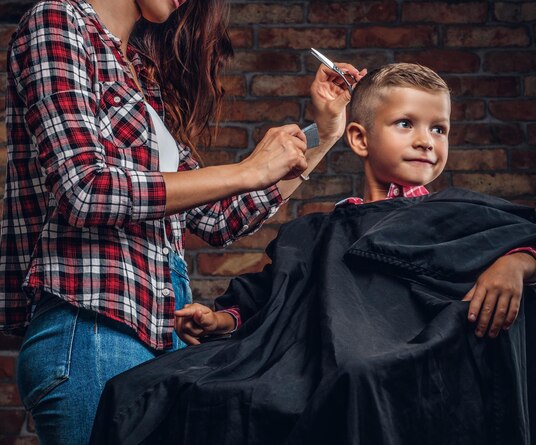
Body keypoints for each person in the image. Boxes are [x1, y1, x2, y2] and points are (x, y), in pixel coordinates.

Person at [91, 64, 536, 445]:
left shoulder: (465, 215)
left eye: (438, 128)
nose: (426, 140)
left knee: (358, 382)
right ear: (358, 137)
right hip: (313, 366)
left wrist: (517, 263)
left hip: (413, 376)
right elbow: (273, 295)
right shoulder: (316, 231)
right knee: (145, 392)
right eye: (406, 124)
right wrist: (222, 319)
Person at [0, 0, 365, 443]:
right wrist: (248, 169)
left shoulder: (138, 74)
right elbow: (85, 189)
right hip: (94, 328)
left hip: (160, 337)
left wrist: (323, 135)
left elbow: (218, 219)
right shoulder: (57, 22)